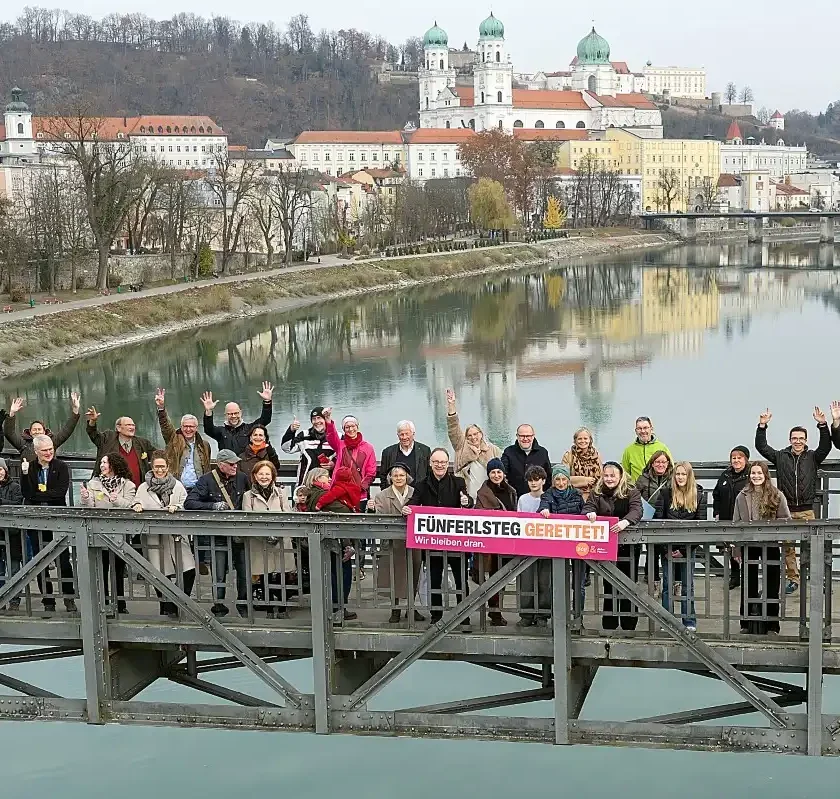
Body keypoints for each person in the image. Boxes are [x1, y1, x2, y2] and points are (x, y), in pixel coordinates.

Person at [755, 407, 830, 594]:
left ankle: (817, 579)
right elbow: (762, 447)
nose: (797, 441)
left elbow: (825, 447)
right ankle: (793, 579)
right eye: (794, 438)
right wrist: (762, 426)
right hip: (785, 509)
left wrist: (822, 425)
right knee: (787, 546)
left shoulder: (813, 457)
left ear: (805, 440)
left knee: (813, 546)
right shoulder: (781, 456)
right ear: (790, 440)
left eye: (801, 438)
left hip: (806, 509)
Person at [405, 447, 473, 625]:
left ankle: (463, 616)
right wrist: (408, 508)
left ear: (448, 463)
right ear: (430, 463)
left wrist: (467, 501)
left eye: (443, 462)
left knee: (461, 580)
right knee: (434, 580)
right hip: (433, 542)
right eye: (436, 462)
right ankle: (436, 616)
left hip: (456, 541)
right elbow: (414, 502)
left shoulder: (458, 482)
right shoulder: (421, 484)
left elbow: (467, 501)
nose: (439, 465)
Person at [184, 449, 250, 617]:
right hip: (218, 534)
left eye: (236, 463)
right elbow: (189, 502)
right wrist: (212, 506)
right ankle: (219, 607)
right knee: (219, 574)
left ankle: (243, 605)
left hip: (239, 533)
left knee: (244, 572)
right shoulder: (206, 480)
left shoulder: (242, 478)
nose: (235, 466)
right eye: (231, 464)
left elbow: (251, 497)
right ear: (221, 465)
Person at [132, 452, 194, 619]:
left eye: (163, 467)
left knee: (189, 570)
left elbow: (185, 504)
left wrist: (177, 508)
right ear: (152, 467)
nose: (159, 470)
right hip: (154, 536)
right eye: (156, 466)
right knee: (160, 573)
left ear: (168, 467)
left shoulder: (177, 485)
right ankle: (165, 606)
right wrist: (137, 505)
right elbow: (136, 501)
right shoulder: (144, 487)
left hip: (176, 535)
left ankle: (180, 601)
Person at [733, 461, 791, 635]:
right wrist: (736, 548)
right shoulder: (742, 496)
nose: (756, 476)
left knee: (772, 584)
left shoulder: (776, 494)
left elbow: (786, 519)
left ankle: (772, 625)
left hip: (771, 543)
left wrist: (769, 525)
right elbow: (736, 523)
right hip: (749, 543)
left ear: (766, 475)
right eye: (753, 473)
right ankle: (746, 622)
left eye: (759, 473)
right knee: (748, 583)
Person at [583, 462, 643, 631]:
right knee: (608, 583)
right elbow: (588, 506)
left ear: (620, 476)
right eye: (606, 475)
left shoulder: (632, 491)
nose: (609, 479)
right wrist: (590, 513)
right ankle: (609, 622)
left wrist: (625, 522)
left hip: (628, 546)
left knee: (629, 583)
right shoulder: (597, 492)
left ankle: (628, 623)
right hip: (606, 546)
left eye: (612, 475)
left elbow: (637, 510)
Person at [19, 435, 76, 613]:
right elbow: (27, 494)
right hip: (37, 521)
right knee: (41, 560)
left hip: (58, 518)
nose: (49, 452)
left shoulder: (61, 467)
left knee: (63, 561)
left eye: (51, 449)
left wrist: (39, 495)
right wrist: (25, 473)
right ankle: (48, 600)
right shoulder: (31, 467)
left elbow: (60, 493)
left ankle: (69, 598)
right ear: (36, 452)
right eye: (44, 450)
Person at [80, 452, 137, 614]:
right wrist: (85, 498)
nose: (102, 465)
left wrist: (116, 500)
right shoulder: (93, 483)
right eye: (101, 463)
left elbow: (131, 505)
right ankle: (103, 603)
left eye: (105, 463)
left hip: (119, 534)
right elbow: (89, 505)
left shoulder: (128, 485)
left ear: (114, 464)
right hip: (99, 532)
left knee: (118, 571)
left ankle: (120, 604)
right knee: (101, 569)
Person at [654, 462, 706, 632]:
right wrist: (665, 549)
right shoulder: (665, 494)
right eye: (677, 474)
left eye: (684, 474)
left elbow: (701, 526)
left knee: (687, 585)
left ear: (689, 476)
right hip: (667, 547)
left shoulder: (699, 494)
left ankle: (689, 620)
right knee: (668, 585)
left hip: (688, 548)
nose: (680, 477)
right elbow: (658, 522)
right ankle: (667, 620)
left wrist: (684, 550)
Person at [301, 468, 357, 622]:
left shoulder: (312, 493)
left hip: (324, 541)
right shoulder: (322, 494)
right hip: (332, 542)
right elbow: (344, 510)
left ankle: (334, 608)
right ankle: (338, 609)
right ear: (318, 478)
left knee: (331, 576)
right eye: (327, 476)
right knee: (340, 575)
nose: (330, 479)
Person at [242, 460, 295, 619]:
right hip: (260, 542)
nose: (264, 477)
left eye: (267, 474)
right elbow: (247, 519)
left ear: (273, 476)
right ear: (255, 476)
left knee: (281, 576)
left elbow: (288, 514)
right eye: (261, 474)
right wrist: (264, 535)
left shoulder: (281, 493)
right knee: (264, 575)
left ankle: (283, 606)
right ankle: (270, 608)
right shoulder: (248, 496)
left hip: (280, 540)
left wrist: (277, 533)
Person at [373, 464, 423, 623]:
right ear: (390, 478)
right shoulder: (381, 496)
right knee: (393, 576)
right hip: (393, 542)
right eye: (395, 476)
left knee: (414, 574)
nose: (399, 478)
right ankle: (395, 610)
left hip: (413, 541)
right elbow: (379, 518)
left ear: (407, 476)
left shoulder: (416, 493)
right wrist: (371, 509)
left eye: (402, 475)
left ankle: (411, 608)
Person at [475, 458, 518, 626]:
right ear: (489, 474)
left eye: (499, 472)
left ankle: (496, 610)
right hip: (491, 543)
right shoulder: (482, 493)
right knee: (493, 577)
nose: (496, 475)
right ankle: (494, 612)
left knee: (503, 578)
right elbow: (479, 513)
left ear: (504, 474)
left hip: (507, 540)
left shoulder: (511, 491)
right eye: (493, 472)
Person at [445, 387, 503, 499]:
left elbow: (503, 469)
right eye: (469, 435)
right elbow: (453, 428)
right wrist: (451, 405)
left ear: (481, 434)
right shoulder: (460, 447)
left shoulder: (492, 449)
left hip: (488, 496)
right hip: (466, 495)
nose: (473, 437)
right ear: (466, 437)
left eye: (476, 434)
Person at [154, 388, 211, 491]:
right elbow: (165, 426)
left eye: (191, 427)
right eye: (185, 426)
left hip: (198, 489)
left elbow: (207, 468)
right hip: (176, 488)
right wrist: (161, 408)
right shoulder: (173, 440)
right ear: (181, 427)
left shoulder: (204, 445)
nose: (188, 429)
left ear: (196, 428)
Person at [84, 406, 155, 487]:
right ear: (118, 428)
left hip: (138, 491)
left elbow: (158, 455)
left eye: (133, 425)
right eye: (128, 425)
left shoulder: (143, 443)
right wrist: (93, 421)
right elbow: (93, 434)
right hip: (113, 490)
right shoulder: (107, 439)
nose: (132, 427)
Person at [712, 445, 751, 590]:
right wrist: (716, 512)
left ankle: (747, 577)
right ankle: (735, 577)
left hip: (744, 518)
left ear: (746, 459)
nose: (736, 460)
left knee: (745, 548)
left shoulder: (750, 476)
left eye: (739, 458)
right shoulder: (725, 475)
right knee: (729, 548)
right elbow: (716, 494)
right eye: (733, 458)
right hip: (726, 516)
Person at [634, 449, 674, 591]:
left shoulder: (673, 478)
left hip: (667, 518)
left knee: (667, 550)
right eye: (657, 462)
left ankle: (672, 582)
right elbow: (635, 497)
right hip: (649, 518)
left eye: (663, 462)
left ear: (668, 463)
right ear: (652, 463)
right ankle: (653, 580)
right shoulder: (642, 479)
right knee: (652, 551)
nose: (660, 464)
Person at [516, 465, 550, 627]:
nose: (534, 483)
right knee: (526, 581)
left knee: (545, 581)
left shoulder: (549, 497)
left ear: (543, 481)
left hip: (546, 546)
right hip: (527, 546)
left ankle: (543, 614)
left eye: (537, 480)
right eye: (530, 480)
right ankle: (526, 614)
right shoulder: (523, 499)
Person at [3, 392, 81, 460]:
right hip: (30, 476)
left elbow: (67, 431)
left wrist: (75, 410)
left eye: (39, 429)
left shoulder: (52, 442)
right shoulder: (23, 444)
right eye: (34, 429)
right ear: (30, 432)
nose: (37, 431)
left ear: (44, 431)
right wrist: (12, 413)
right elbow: (9, 433)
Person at [201, 382, 274, 454]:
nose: (233, 416)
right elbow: (208, 429)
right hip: (227, 465)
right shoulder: (221, 432)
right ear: (225, 415)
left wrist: (267, 402)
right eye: (230, 414)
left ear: (241, 413)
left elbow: (265, 419)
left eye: (236, 413)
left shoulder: (250, 429)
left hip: (246, 464)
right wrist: (209, 411)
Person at [281, 407, 335, 486]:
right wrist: (291, 430)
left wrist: (333, 465)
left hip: (328, 486)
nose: (316, 421)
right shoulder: (304, 435)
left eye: (319, 418)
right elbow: (287, 448)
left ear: (325, 419)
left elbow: (345, 458)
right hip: (305, 486)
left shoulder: (336, 437)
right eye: (314, 419)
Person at [501, 424, 552, 498]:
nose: (525, 439)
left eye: (528, 436)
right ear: (517, 436)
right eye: (522, 436)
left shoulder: (543, 452)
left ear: (533, 436)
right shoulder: (508, 452)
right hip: (514, 498)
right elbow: (503, 473)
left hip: (538, 498)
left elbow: (548, 476)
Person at [0, 457, 24, 611]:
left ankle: (14, 600)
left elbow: (18, 503)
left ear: (5, 470)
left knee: (14, 567)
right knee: (0, 570)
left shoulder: (15, 486)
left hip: (13, 533)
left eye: (0, 470)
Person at [378, 421, 432, 487]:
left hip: (419, 494)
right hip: (395, 494)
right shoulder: (388, 452)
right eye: (401, 434)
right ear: (397, 435)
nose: (404, 437)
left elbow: (429, 474)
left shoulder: (425, 451)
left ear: (413, 434)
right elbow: (383, 476)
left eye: (407, 434)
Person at [621, 416, 672, 482]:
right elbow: (625, 473)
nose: (642, 431)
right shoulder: (629, 450)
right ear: (636, 431)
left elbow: (671, 468)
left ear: (651, 429)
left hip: (657, 488)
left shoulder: (662, 447)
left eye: (645, 428)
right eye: (639, 428)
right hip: (637, 489)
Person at [560, 427, 603, 501]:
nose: (583, 441)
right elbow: (563, 478)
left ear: (590, 440)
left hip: (594, 496)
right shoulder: (568, 456)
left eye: (585, 438)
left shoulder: (596, 455)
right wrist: (585, 480)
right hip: (574, 495)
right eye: (580, 439)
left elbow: (601, 476)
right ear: (575, 441)